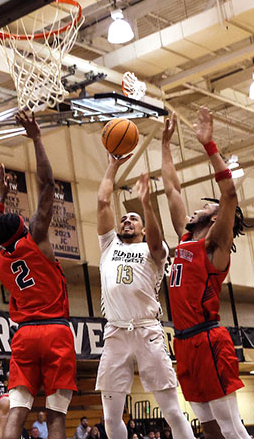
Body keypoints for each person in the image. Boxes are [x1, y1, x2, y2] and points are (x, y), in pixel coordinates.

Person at [161, 107, 249, 439]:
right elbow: (171, 189)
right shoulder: (185, 239)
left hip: (209, 339)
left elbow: (229, 194)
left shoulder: (215, 247)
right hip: (183, 342)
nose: (199, 206)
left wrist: (209, 145)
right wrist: (165, 145)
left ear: (216, 219)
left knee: (231, 426)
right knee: (209, 429)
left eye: (207, 206)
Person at [0, 111, 77, 439]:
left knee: (16, 413)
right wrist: (37, 139)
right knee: (55, 416)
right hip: (54, 331)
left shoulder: (0, 259)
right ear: (23, 227)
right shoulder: (37, 239)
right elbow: (48, 186)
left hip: (24, 336)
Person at [95, 154, 195, 439]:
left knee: (172, 410)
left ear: (142, 228)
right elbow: (103, 203)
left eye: (133, 219)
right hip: (115, 332)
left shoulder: (154, 249)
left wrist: (147, 205)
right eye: (124, 218)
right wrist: (113, 164)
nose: (126, 221)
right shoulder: (108, 245)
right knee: (110, 416)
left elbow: (156, 239)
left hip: (147, 330)